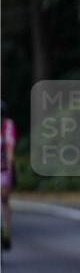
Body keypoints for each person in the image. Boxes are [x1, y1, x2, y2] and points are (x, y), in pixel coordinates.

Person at [1, 100, 15, 250]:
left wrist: (10, 170)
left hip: (4, 168)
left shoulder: (8, 126)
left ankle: (6, 231)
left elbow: (10, 149)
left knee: (4, 198)